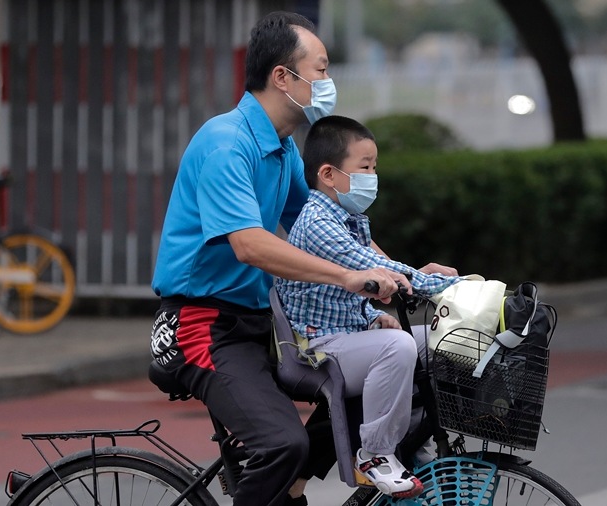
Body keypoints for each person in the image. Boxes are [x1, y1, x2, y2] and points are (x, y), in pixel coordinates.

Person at [149, 12, 411, 506]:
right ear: (282, 77)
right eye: (322, 69)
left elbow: (328, 231)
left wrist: (402, 272)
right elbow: (250, 244)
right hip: (201, 325)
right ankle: (283, 478)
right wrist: (349, 278)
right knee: (281, 444)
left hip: (259, 324)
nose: (329, 82)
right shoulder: (227, 143)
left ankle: (289, 491)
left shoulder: (283, 149)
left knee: (375, 374)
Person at [275, 115, 462, 499]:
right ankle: (376, 454)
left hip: (347, 335)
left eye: (374, 167)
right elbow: (372, 268)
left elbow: (349, 291)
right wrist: (457, 288)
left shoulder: (348, 218)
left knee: (444, 340)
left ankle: (415, 439)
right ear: (329, 174)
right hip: (316, 349)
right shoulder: (318, 222)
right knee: (399, 348)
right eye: (365, 167)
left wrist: (376, 315)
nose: (372, 175)